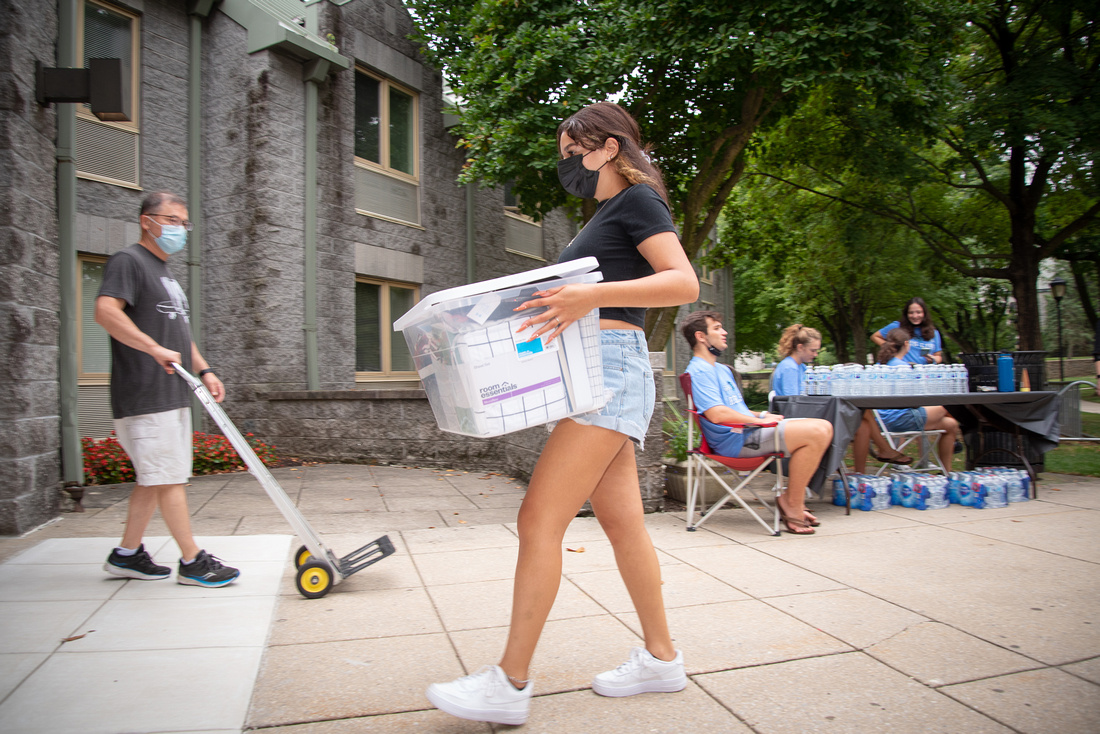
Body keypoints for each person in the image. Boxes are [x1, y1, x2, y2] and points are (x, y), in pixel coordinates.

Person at [425, 102, 699, 725]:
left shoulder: (637, 200)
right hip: (596, 371)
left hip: (610, 371)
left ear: (607, 148)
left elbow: (683, 284)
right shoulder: (606, 213)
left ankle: (509, 682)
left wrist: (586, 296)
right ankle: (661, 660)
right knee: (623, 523)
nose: (565, 162)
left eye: (572, 150)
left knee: (538, 520)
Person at [95, 191, 240, 588]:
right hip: (145, 393)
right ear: (147, 221)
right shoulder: (129, 261)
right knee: (169, 478)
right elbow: (105, 311)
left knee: (153, 477)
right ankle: (193, 562)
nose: (179, 230)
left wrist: (204, 368)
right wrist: (153, 348)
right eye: (172, 220)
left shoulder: (165, 273)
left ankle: (127, 554)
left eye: (183, 223)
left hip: (171, 389)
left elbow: (178, 332)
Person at [682, 311, 833, 535]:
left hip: (748, 432)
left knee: (824, 426)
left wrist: (762, 416)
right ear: (701, 337)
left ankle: (792, 500)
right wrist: (756, 421)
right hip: (735, 441)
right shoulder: (699, 371)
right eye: (716, 328)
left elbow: (735, 410)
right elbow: (717, 415)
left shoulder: (721, 369)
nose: (724, 332)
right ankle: (792, 503)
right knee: (817, 432)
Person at [858, 328, 960, 472]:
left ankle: (945, 473)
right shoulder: (903, 368)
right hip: (901, 419)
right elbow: (918, 399)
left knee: (950, 424)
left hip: (882, 421)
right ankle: (955, 448)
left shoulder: (879, 366)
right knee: (947, 407)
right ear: (906, 344)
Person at [871, 297, 943, 364]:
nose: (915, 316)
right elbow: (875, 337)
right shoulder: (898, 326)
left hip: (923, 373)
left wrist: (933, 359)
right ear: (906, 314)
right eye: (911, 313)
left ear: (924, 313)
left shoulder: (934, 332)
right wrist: (891, 348)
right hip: (902, 370)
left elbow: (938, 356)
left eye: (918, 312)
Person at [772, 324, 821, 396]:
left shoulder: (801, 367)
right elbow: (793, 401)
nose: (815, 354)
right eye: (812, 350)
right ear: (800, 347)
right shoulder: (789, 368)